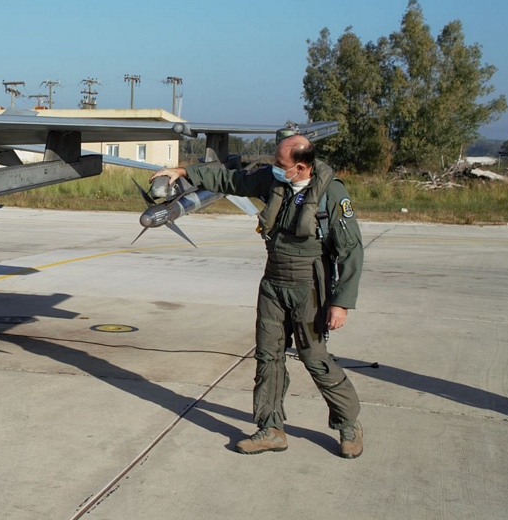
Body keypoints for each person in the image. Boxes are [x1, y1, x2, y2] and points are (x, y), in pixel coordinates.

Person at [151, 135, 365, 459]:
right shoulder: (273, 180)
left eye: (281, 164)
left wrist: (341, 303)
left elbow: (351, 251)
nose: (274, 168)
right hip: (273, 283)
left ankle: (348, 424)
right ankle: (271, 428)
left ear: (301, 167)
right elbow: (231, 180)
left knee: (314, 358)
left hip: (309, 286)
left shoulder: (331, 195)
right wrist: (185, 172)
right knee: (268, 357)